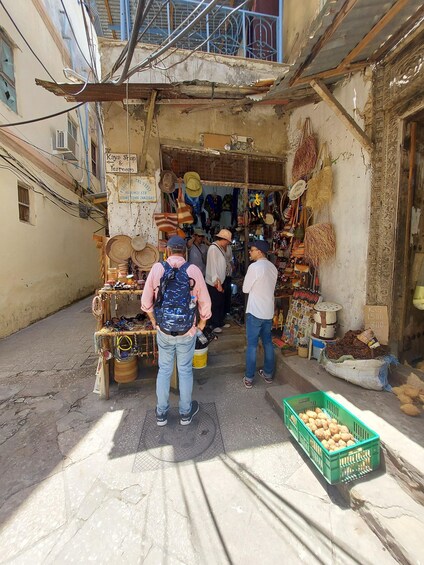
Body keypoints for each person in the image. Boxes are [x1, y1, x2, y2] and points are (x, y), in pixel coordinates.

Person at [141, 236, 211, 426]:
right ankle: (185, 413)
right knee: (185, 370)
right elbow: (205, 301)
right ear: (184, 252)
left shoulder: (157, 269)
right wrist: (201, 324)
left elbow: (146, 302)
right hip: (186, 331)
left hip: (163, 330)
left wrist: (154, 321)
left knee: (164, 370)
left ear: (168, 251)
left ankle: (161, 414)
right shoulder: (193, 270)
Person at [242, 239, 278, 389]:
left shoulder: (255, 267)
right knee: (268, 342)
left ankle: (249, 378)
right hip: (268, 311)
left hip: (255, 311)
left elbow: (245, 289)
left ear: (260, 252)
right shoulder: (273, 268)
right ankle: (268, 374)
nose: (250, 251)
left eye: (252, 249)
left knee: (252, 345)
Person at [205, 228, 232, 333]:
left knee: (220, 301)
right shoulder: (213, 248)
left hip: (220, 280)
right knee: (215, 302)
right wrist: (216, 281)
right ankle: (214, 324)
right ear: (224, 239)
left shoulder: (219, 247)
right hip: (215, 281)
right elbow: (213, 266)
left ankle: (219, 321)